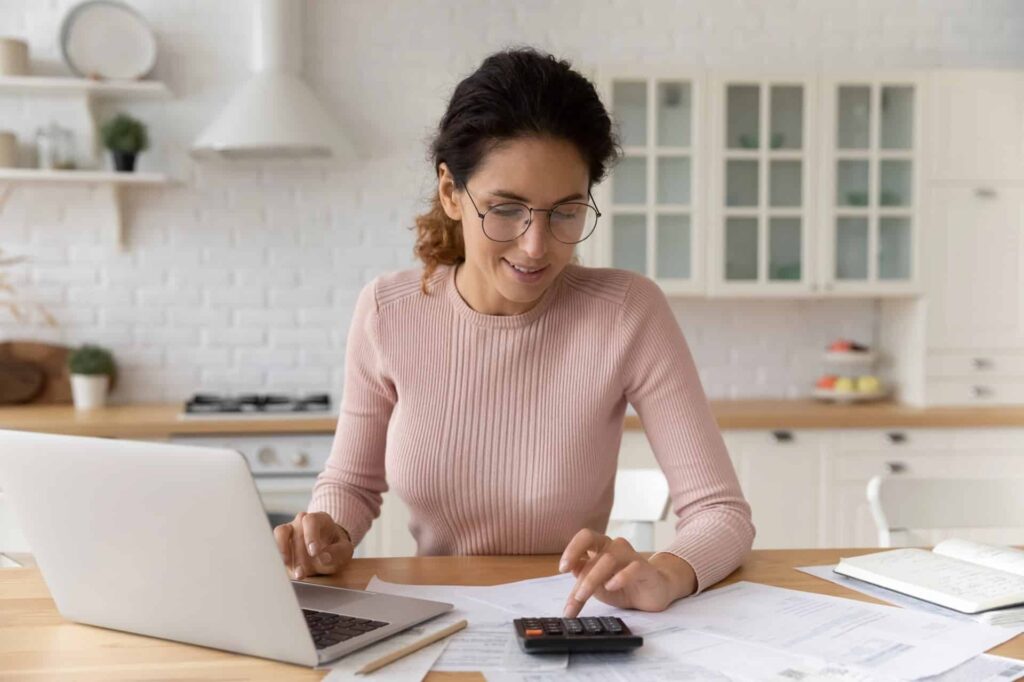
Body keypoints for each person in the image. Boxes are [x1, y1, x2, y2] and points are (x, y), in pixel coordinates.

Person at [275, 47, 754, 618]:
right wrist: (328, 532)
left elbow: (721, 513)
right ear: (452, 193)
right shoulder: (388, 310)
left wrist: (666, 575)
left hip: (572, 619)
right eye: (506, 209)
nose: (536, 245)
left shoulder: (628, 311)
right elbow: (352, 486)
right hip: (435, 618)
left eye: (565, 212)